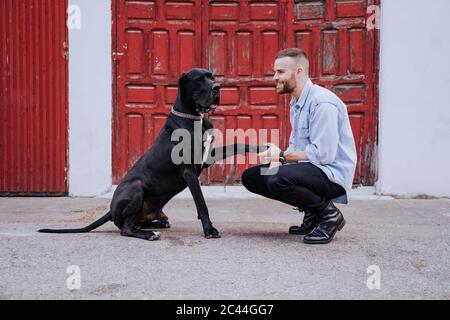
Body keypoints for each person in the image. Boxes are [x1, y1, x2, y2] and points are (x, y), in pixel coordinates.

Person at [242, 48, 357, 244]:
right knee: (253, 177)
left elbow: (324, 155)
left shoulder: (322, 103)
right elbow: (298, 146)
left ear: (299, 72)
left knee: (276, 178)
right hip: (313, 171)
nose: (274, 77)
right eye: (275, 72)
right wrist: (278, 157)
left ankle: (329, 215)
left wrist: (282, 156)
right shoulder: (296, 102)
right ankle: (313, 211)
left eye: (280, 72)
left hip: (332, 175)